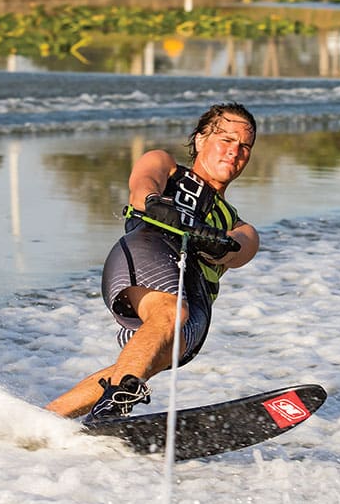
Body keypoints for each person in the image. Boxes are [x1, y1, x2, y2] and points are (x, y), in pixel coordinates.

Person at [46, 102, 260, 422]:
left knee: (146, 361)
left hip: (195, 297)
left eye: (244, 146)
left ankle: (48, 418)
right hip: (149, 249)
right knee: (170, 311)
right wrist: (154, 203)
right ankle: (115, 405)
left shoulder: (240, 225)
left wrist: (217, 242)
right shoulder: (167, 165)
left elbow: (240, 250)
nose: (235, 151)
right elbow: (143, 184)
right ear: (201, 140)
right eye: (226, 140)